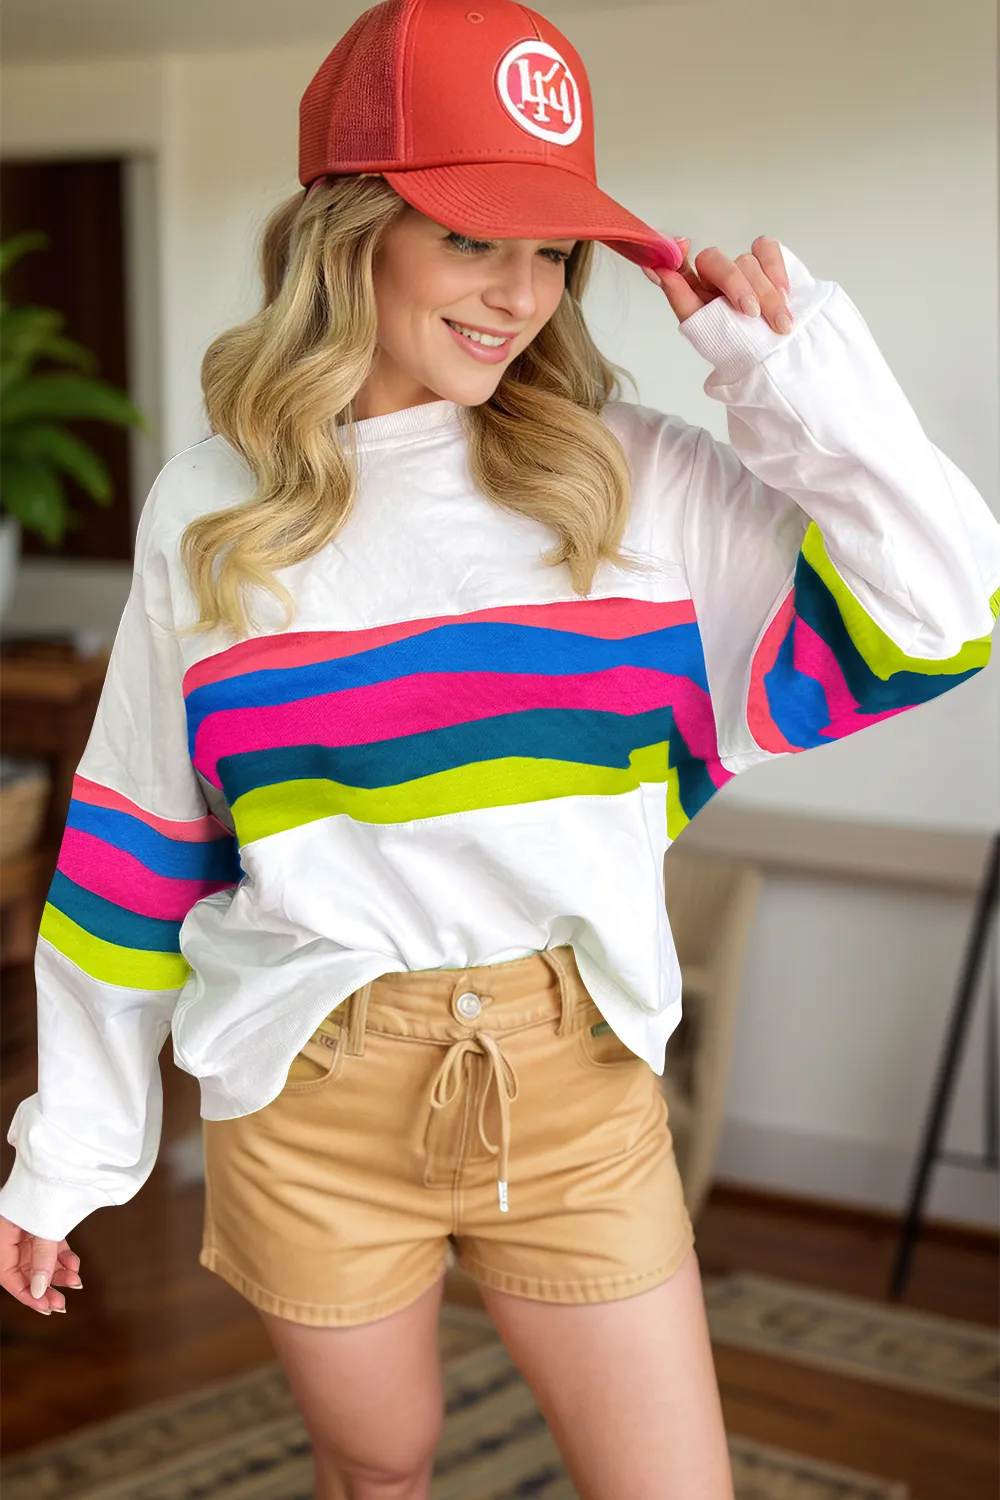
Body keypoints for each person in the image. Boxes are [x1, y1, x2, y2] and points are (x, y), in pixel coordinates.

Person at [2, 1, 999, 1496]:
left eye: (552, 247)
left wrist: (788, 379)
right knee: (379, 1472)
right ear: (353, 234)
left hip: (575, 1077)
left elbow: (946, 613)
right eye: (472, 236)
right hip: (310, 1083)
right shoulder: (214, 511)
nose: (520, 293)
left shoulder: (629, 480)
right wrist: (70, 1154)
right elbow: (137, 841)